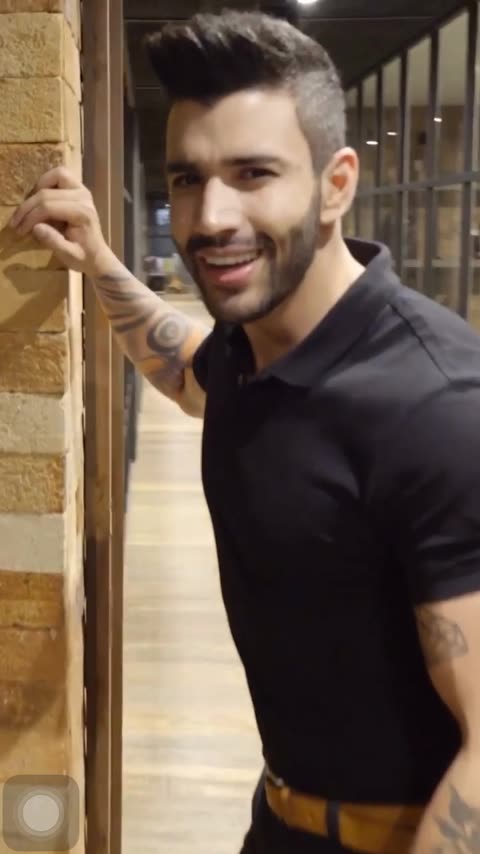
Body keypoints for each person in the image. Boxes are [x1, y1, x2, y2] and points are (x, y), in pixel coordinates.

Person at [9, 10, 480, 853]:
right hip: (280, 818)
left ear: (337, 184)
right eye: (188, 179)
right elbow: (188, 371)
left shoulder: (436, 404)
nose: (211, 216)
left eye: (254, 173)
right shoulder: (250, 351)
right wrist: (99, 260)